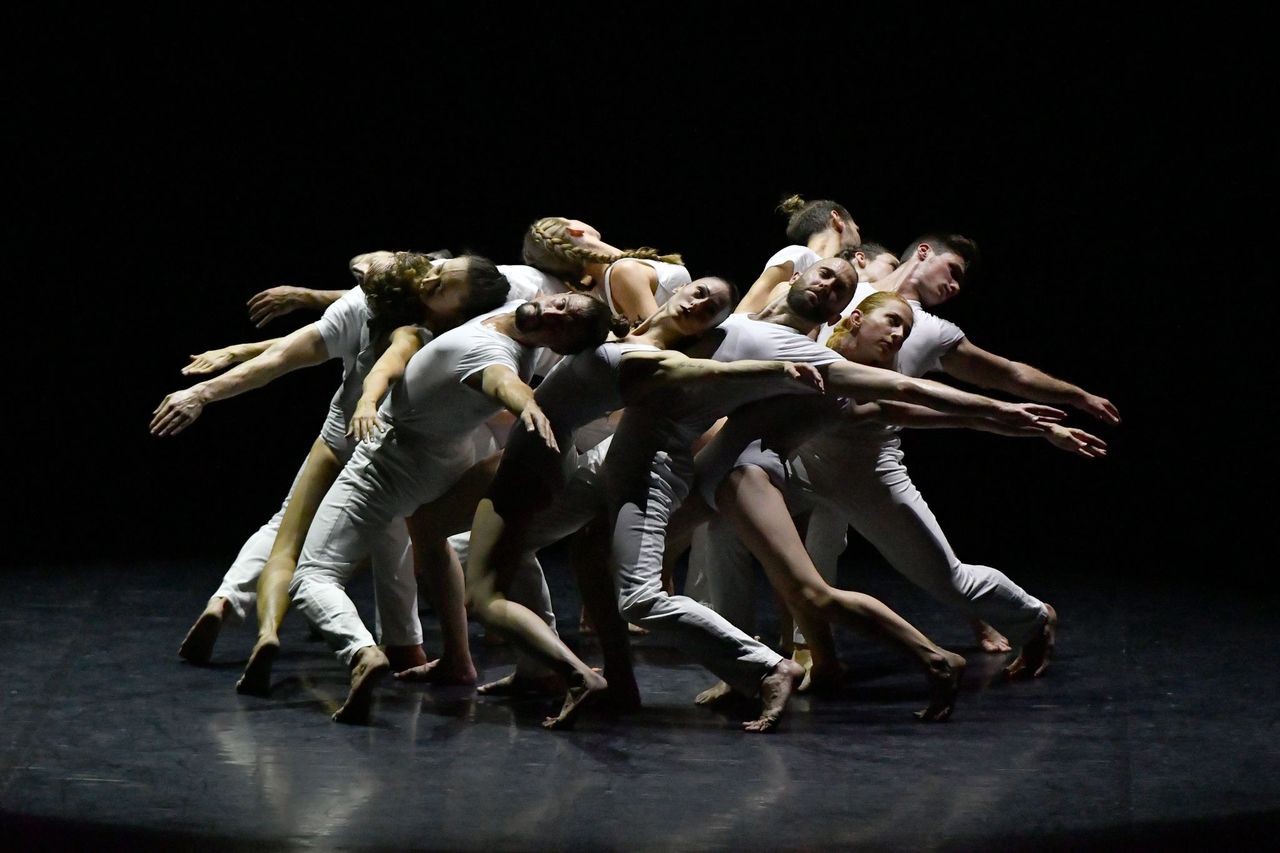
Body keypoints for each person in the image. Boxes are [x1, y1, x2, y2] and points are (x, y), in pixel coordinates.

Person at [655, 258, 1065, 721]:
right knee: (730, 534)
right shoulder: (805, 334)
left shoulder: (854, 375)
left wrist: (1010, 419)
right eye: (891, 322)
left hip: (867, 475)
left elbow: (926, 405)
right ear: (851, 318)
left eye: (905, 333)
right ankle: (748, 667)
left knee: (944, 579)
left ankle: (1032, 617)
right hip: (802, 466)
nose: (897, 337)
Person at [157, 252, 510, 694]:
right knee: (395, 540)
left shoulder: (390, 314)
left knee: (293, 537)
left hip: (361, 441)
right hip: (398, 450)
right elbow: (325, 343)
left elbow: (292, 353)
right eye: (432, 268)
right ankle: (406, 645)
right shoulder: (448, 324)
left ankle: (243, 611)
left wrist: (214, 378)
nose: (429, 275)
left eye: (439, 281)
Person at [462, 277, 804, 730]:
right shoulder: (623, 335)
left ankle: (769, 667)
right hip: (610, 459)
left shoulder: (657, 358)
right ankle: (565, 672)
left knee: (640, 597)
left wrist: (777, 369)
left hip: (650, 468)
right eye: (699, 290)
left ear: (705, 330)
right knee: (524, 544)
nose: (697, 302)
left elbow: (704, 373)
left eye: (709, 310)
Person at [288, 291, 616, 723]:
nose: (552, 312)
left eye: (563, 324)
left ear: (557, 346)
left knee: (312, 576)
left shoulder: (495, 351)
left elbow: (501, 380)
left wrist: (528, 405)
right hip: (446, 457)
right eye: (562, 303)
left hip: (392, 460)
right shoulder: (515, 308)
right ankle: (466, 662)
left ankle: (361, 653)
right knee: (443, 533)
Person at [797, 234, 1119, 673]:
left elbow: (1008, 376)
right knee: (726, 506)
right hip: (801, 446)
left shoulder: (934, 331)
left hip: (866, 466)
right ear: (924, 254)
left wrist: (1076, 397)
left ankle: (1034, 617)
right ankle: (767, 654)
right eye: (953, 271)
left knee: (948, 580)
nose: (956, 287)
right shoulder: (851, 289)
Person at [521, 216, 689, 328]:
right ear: (574, 231)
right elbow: (656, 338)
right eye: (569, 218)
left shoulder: (596, 289)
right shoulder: (623, 273)